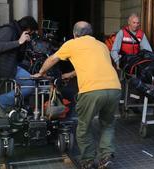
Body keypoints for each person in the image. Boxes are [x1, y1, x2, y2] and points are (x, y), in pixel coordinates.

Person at [32, 21, 121, 169]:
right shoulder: (102, 45)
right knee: (108, 124)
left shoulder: (72, 44)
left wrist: (40, 73)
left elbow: (53, 59)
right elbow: (94, 65)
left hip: (92, 90)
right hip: (114, 87)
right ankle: (106, 157)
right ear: (90, 33)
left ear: (75, 34)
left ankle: (87, 160)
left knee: (83, 127)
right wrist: (70, 74)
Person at [0, 16, 38, 117]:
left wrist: (25, 44)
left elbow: (19, 55)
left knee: (31, 82)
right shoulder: (8, 30)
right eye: (32, 31)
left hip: (12, 66)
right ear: (28, 29)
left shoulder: (17, 32)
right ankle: (1, 102)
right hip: (4, 67)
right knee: (30, 84)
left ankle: (7, 104)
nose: (32, 34)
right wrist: (19, 42)